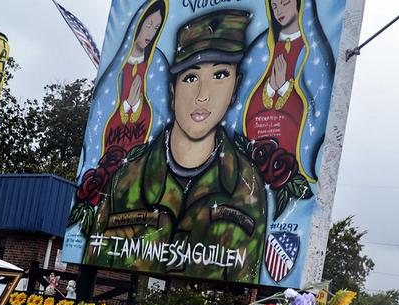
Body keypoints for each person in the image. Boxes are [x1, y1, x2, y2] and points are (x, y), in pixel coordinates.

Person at [84, 10, 266, 284]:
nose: (203, 96)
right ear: (172, 90)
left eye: (220, 75)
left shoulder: (247, 188)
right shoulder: (127, 179)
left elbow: (244, 276)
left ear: (235, 88)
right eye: (190, 78)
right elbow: (95, 254)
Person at [241, 0, 334, 181]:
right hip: (257, 145)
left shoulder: (312, 49)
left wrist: (282, 88)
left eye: (284, 3)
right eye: (274, 6)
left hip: (291, 152)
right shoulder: (263, 48)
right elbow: (246, 98)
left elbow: (317, 105)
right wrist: (271, 88)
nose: (279, 11)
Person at [102, 1, 167, 152]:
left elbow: (158, 111)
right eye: (148, 25)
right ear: (137, 24)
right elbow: (105, 110)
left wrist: (136, 106)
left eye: (156, 28)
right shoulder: (117, 66)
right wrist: (127, 105)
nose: (151, 33)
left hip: (141, 145)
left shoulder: (156, 64)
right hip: (114, 144)